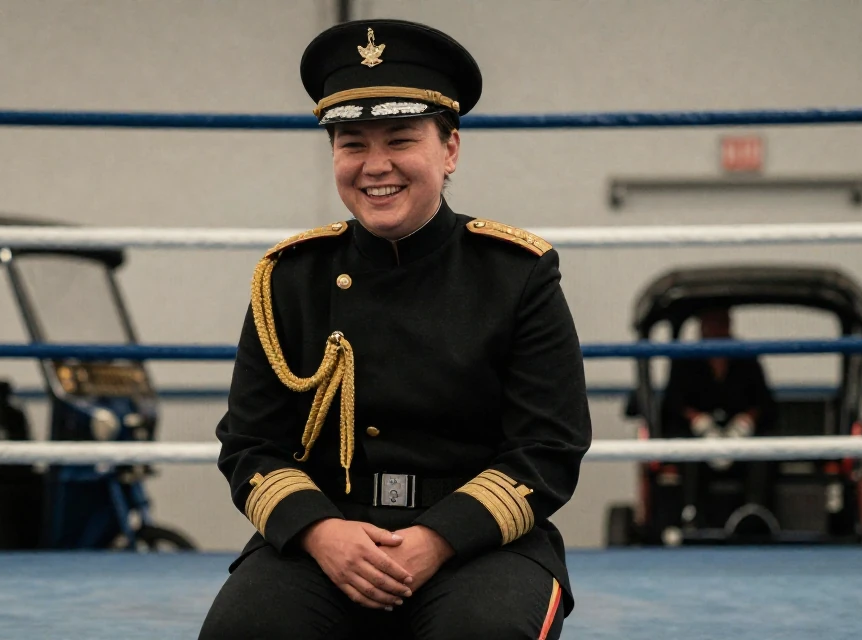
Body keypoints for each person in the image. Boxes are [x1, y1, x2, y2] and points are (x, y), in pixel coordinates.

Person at [198, 18, 592, 640]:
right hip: (326, 535)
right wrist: (320, 532)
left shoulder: (516, 275)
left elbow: (548, 448)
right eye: (352, 143)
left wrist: (437, 538)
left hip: (477, 544)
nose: (375, 166)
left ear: (450, 149)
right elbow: (249, 446)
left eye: (400, 139)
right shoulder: (288, 279)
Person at [661, 307, 778, 528]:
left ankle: (754, 513)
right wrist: (698, 420)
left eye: (720, 324)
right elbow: (673, 402)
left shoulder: (746, 356)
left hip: (740, 437)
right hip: (699, 438)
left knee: (763, 449)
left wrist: (746, 421)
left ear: (728, 326)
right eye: (709, 324)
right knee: (686, 448)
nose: (714, 330)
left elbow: (764, 401)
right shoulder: (686, 359)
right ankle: (690, 512)